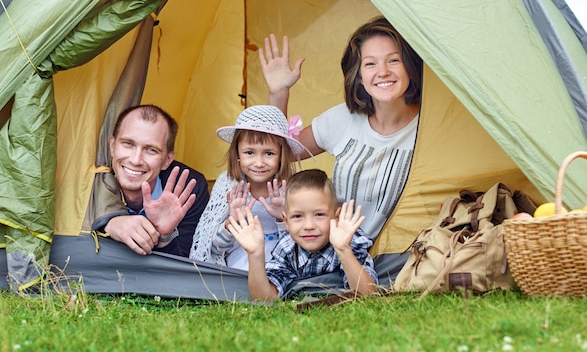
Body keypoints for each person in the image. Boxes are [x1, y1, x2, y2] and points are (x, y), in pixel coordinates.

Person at [260, 16, 423, 280]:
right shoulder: (343, 119)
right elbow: (279, 155)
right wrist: (278, 94)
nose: (382, 72)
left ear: (411, 66)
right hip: (333, 257)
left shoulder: (428, 125)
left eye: (393, 60)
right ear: (358, 76)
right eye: (370, 64)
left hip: (397, 258)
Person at [189, 105, 311, 270]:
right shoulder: (227, 184)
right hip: (239, 262)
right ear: (237, 153)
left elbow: (303, 245)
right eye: (249, 153)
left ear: (281, 155)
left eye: (269, 153)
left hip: (280, 262)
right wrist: (232, 223)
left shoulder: (290, 187)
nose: (259, 163)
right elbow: (212, 248)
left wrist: (282, 218)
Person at [226, 169, 378, 301]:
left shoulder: (350, 239)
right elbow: (265, 299)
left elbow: (368, 296)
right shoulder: (287, 247)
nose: (309, 226)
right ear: (286, 221)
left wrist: (343, 250)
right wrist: (255, 254)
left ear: (336, 217)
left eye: (319, 215)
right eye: (298, 216)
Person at [98, 104, 210, 257]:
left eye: (151, 150)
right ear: (112, 146)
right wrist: (108, 223)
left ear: (167, 160)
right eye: (128, 144)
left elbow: (186, 270)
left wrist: (165, 237)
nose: (136, 160)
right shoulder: (90, 181)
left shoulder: (187, 188)